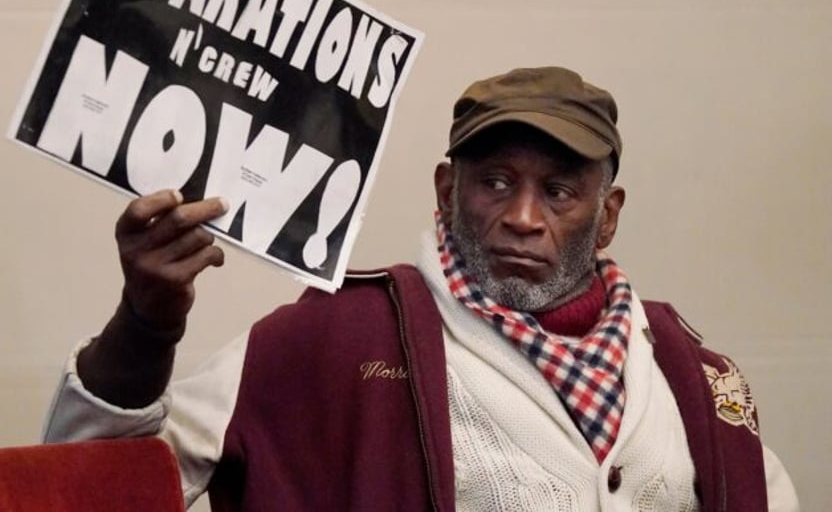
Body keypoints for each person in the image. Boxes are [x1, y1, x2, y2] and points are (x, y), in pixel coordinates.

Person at [43, 67, 799, 511]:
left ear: (607, 217)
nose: (523, 218)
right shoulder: (326, 342)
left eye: (561, 192)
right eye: (495, 182)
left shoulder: (692, 376)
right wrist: (145, 324)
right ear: (446, 191)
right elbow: (80, 493)